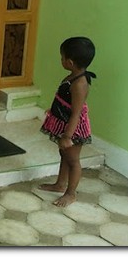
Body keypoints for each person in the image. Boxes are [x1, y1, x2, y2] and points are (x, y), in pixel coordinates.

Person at [39, 36, 96, 207]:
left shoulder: (79, 84)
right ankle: (60, 184)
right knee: (64, 155)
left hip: (73, 129)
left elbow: (76, 114)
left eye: (62, 57)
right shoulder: (73, 76)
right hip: (64, 123)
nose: (61, 60)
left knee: (73, 160)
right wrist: (53, 111)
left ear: (70, 62)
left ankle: (71, 193)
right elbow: (65, 101)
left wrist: (67, 136)